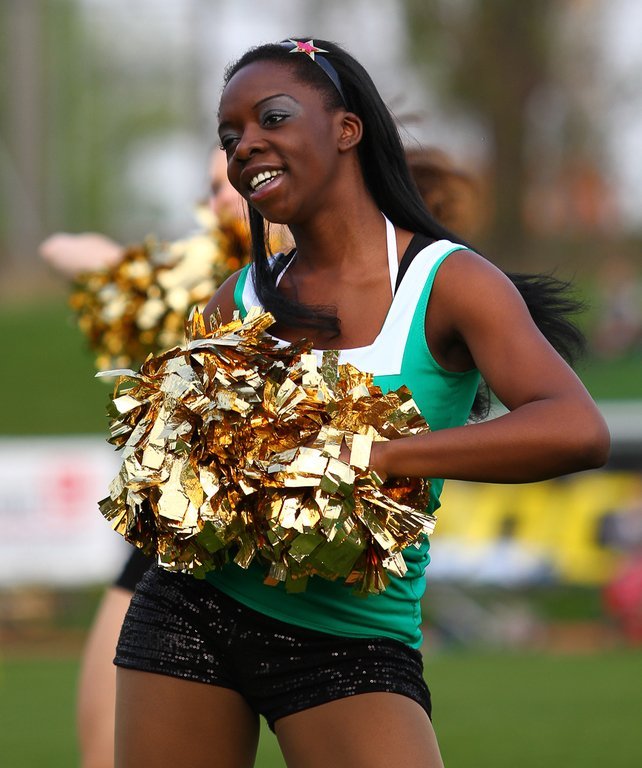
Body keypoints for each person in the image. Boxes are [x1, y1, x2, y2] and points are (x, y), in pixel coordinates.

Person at [111, 38, 610, 768]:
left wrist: (377, 455)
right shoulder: (237, 300)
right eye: (230, 136)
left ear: (347, 129)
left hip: (350, 640)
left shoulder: (447, 281)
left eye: (272, 118)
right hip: (191, 612)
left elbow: (575, 429)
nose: (245, 146)